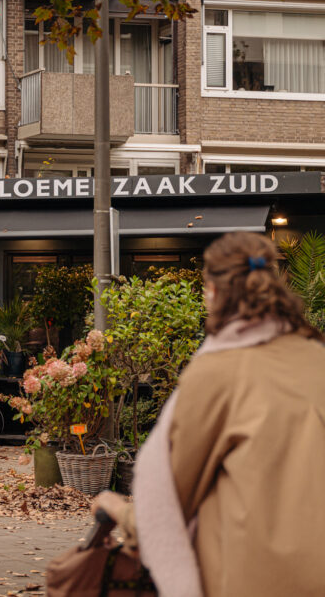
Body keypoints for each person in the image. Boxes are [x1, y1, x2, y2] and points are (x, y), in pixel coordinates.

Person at [93, 231, 325, 597]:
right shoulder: (317, 358)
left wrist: (119, 510)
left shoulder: (217, 373)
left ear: (213, 292)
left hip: (250, 578)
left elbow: (171, 494)